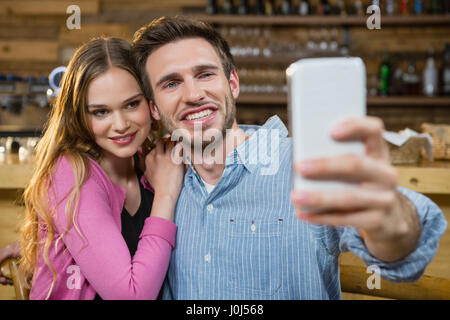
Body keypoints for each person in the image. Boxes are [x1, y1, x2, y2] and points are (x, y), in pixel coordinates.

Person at [131, 17, 447, 299]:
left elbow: (405, 252)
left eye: (205, 74)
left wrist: (387, 216)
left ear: (233, 84)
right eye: (171, 83)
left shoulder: (306, 164)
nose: (192, 94)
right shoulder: (159, 180)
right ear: (154, 108)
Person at [17, 37, 184, 299]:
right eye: (100, 112)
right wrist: (166, 195)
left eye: (132, 104)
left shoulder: (150, 161)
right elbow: (131, 297)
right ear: (79, 117)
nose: (120, 124)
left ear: (151, 103)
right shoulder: (72, 172)